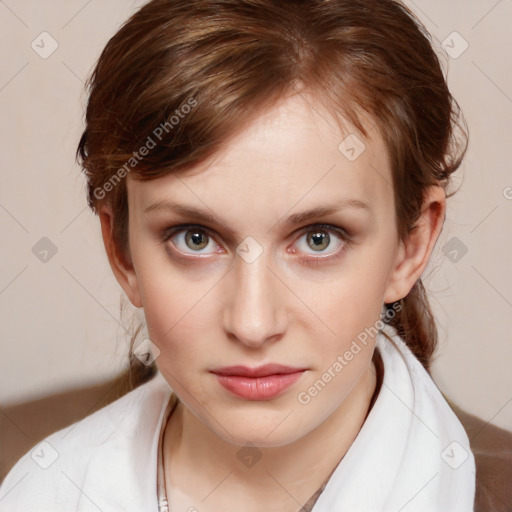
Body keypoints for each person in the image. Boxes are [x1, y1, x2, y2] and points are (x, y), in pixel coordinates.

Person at [2, 0, 505, 510]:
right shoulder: (36, 490)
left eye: (318, 238)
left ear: (410, 246)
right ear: (122, 251)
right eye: (194, 238)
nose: (253, 323)